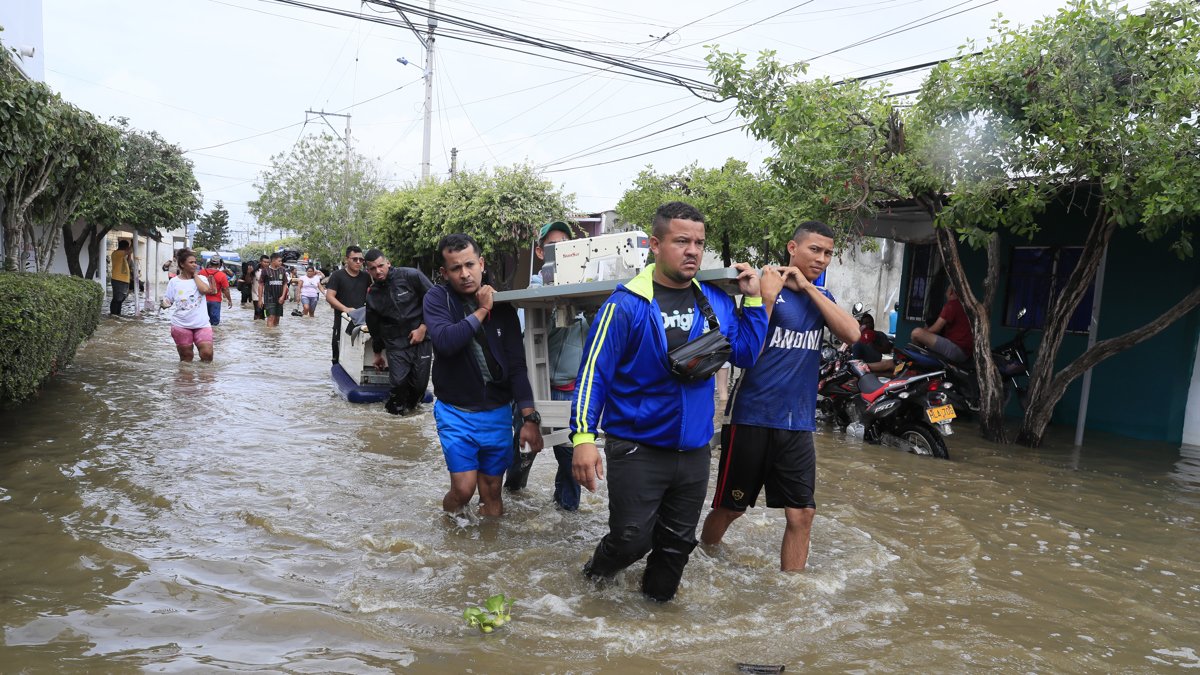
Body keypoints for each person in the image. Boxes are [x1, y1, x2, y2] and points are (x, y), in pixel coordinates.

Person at [570, 201, 770, 602]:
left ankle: (656, 627)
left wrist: (752, 301)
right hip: (637, 448)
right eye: (682, 241)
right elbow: (593, 374)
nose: (693, 250)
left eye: (699, 242)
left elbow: (745, 354)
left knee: (677, 548)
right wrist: (583, 439)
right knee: (631, 540)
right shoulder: (625, 305)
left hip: (693, 451)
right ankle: (590, 583)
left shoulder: (713, 301)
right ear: (656, 245)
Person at [700, 220, 861, 572]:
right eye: (814, 250)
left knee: (802, 514)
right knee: (731, 508)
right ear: (792, 247)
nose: (822, 258)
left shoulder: (823, 299)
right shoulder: (764, 286)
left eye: (828, 253)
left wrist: (808, 287)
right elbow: (747, 351)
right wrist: (766, 296)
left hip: (798, 422)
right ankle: (703, 556)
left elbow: (852, 334)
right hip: (752, 417)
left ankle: (792, 591)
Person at [423, 233, 544, 519]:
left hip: (498, 413)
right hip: (456, 412)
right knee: (463, 490)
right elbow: (445, 341)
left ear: (481, 263)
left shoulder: (504, 307)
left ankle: (486, 554)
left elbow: (517, 366)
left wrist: (529, 418)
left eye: (469, 265)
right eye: (455, 268)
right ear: (445, 272)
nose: (464, 274)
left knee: (491, 492)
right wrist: (482, 310)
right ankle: (449, 527)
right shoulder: (437, 298)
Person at [503, 221, 588, 511]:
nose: (560, 250)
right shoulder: (534, 292)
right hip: (534, 395)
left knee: (571, 464)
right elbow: (527, 339)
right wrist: (554, 303)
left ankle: (566, 518)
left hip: (569, 391)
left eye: (566, 245)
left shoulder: (587, 288)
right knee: (521, 456)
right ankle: (511, 502)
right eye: (553, 245)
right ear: (540, 251)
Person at [364, 249, 434, 416]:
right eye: (373, 268)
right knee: (398, 385)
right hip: (395, 343)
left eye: (381, 266)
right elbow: (374, 327)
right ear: (368, 270)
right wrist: (377, 353)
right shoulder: (373, 294)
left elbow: (434, 300)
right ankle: (395, 421)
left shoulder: (411, 276)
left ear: (388, 263)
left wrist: (423, 328)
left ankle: (411, 417)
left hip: (422, 339)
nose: (378, 271)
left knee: (419, 386)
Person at [161, 248, 215, 362]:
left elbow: (205, 290)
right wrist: (165, 304)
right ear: (182, 264)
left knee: (207, 354)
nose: (195, 265)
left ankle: (204, 377)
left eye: (195, 262)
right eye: (191, 262)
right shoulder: (174, 282)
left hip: (202, 324)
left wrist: (195, 275)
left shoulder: (202, 279)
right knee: (186, 357)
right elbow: (169, 300)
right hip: (181, 324)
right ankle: (186, 378)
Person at [325, 246, 370, 364]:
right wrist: (346, 309)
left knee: (356, 354)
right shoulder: (337, 275)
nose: (358, 262)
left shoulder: (366, 277)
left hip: (360, 322)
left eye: (361, 260)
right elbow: (329, 297)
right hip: (341, 319)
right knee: (337, 354)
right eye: (355, 259)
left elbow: (372, 295)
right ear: (347, 259)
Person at [911, 285, 974, 364]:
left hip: (956, 349)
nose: (946, 293)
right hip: (966, 353)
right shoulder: (967, 306)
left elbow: (935, 329)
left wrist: (924, 332)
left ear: (951, 292)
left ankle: (915, 361)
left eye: (947, 291)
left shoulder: (952, 305)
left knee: (916, 333)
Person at [198, 256, 233, 326]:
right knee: (214, 325)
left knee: (202, 323)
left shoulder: (201, 272)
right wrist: (229, 300)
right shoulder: (222, 275)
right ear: (219, 265)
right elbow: (226, 289)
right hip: (215, 301)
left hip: (202, 300)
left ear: (210, 263)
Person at [257, 252, 289, 327]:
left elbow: (285, 284)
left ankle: (275, 337)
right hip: (269, 298)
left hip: (279, 298)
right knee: (270, 317)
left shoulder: (282, 270)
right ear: (273, 261)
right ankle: (269, 336)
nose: (281, 262)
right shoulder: (265, 271)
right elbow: (261, 284)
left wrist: (283, 296)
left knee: (277, 318)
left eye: (281, 261)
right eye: (279, 261)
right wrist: (260, 299)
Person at [109, 240, 134, 316]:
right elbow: (130, 250)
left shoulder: (122, 256)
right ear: (124, 247)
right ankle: (114, 314)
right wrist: (132, 243)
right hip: (118, 279)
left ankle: (117, 315)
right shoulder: (117, 253)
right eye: (127, 247)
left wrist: (129, 255)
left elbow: (129, 262)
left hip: (124, 280)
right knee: (117, 299)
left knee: (121, 299)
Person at [250, 255, 269, 320]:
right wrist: (248, 273)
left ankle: (261, 328)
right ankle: (255, 327)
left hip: (266, 295)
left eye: (267, 262)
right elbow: (249, 281)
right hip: (256, 294)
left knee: (264, 313)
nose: (266, 263)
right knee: (258, 311)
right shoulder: (255, 271)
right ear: (260, 262)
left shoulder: (270, 271)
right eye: (264, 262)